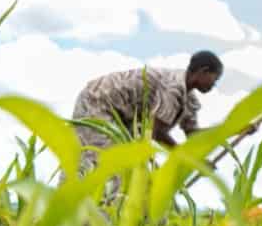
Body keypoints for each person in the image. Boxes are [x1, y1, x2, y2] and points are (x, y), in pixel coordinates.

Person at [71, 51, 243, 196]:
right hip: (97, 102)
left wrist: (234, 129)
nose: (215, 84)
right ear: (203, 72)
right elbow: (156, 132)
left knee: (138, 176)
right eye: (215, 78)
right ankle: (76, 221)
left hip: (122, 118)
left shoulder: (188, 99)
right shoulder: (173, 87)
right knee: (103, 166)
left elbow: (193, 134)